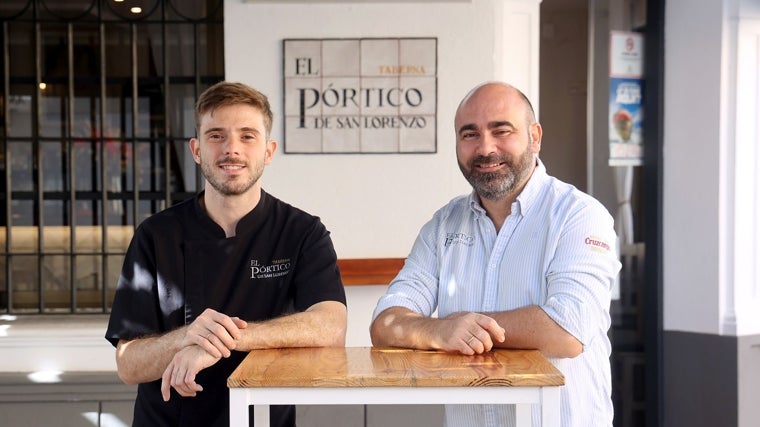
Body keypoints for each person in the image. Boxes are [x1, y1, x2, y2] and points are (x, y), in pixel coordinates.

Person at [370, 81, 621, 427]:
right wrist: (439, 331)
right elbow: (385, 322)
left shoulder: (579, 215)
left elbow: (568, 330)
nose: (486, 148)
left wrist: (461, 328)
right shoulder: (443, 225)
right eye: (469, 134)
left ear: (535, 136)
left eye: (501, 131)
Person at [105, 81, 347, 427]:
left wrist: (214, 342)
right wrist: (186, 336)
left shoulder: (302, 232)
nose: (231, 149)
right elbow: (128, 364)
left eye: (247, 136)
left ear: (268, 150)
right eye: (216, 135)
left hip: (261, 420)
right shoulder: (156, 235)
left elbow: (331, 328)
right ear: (197, 149)